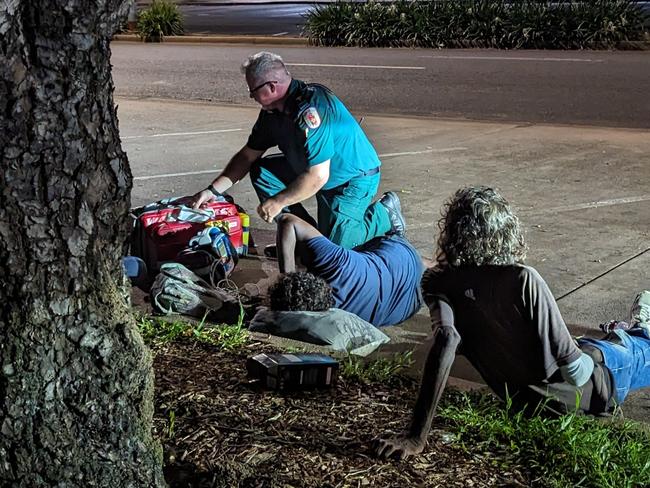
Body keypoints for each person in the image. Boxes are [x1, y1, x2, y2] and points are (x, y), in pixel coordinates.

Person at [375, 186, 650, 460]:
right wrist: (576, 348)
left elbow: (447, 340)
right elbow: (576, 374)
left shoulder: (435, 282)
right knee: (631, 347)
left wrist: (415, 437)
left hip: (525, 404)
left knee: (609, 344)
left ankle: (628, 330)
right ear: (504, 232)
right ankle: (636, 329)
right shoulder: (524, 280)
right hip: (600, 384)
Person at [189, 51, 404, 250]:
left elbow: (318, 176)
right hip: (315, 173)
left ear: (271, 87)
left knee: (338, 252)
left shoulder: (312, 110)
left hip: (350, 181)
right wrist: (213, 191)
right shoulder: (271, 114)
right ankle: (304, 239)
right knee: (262, 171)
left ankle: (385, 213)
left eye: (252, 91)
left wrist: (279, 202)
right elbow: (247, 156)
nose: (251, 97)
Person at [267, 213, 425, 327]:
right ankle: (297, 250)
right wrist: (287, 276)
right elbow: (287, 220)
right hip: (401, 261)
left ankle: (385, 211)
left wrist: (287, 279)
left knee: (341, 237)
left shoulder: (338, 267)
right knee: (335, 243)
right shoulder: (337, 265)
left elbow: (288, 221)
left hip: (409, 303)